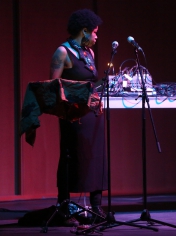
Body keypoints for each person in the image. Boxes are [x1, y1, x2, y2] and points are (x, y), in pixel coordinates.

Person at [49, 9, 107, 226]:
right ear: (84, 31)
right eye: (94, 32)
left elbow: (91, 83)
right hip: (72, 115)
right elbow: (54, 88)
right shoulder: (62, 52)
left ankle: (96, 206)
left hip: (92, 115)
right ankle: (64, 207)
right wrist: (76, 101)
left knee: (96, 156)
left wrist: (97, 96)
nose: (96, 36)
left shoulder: (88, 54)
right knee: (71, 157)